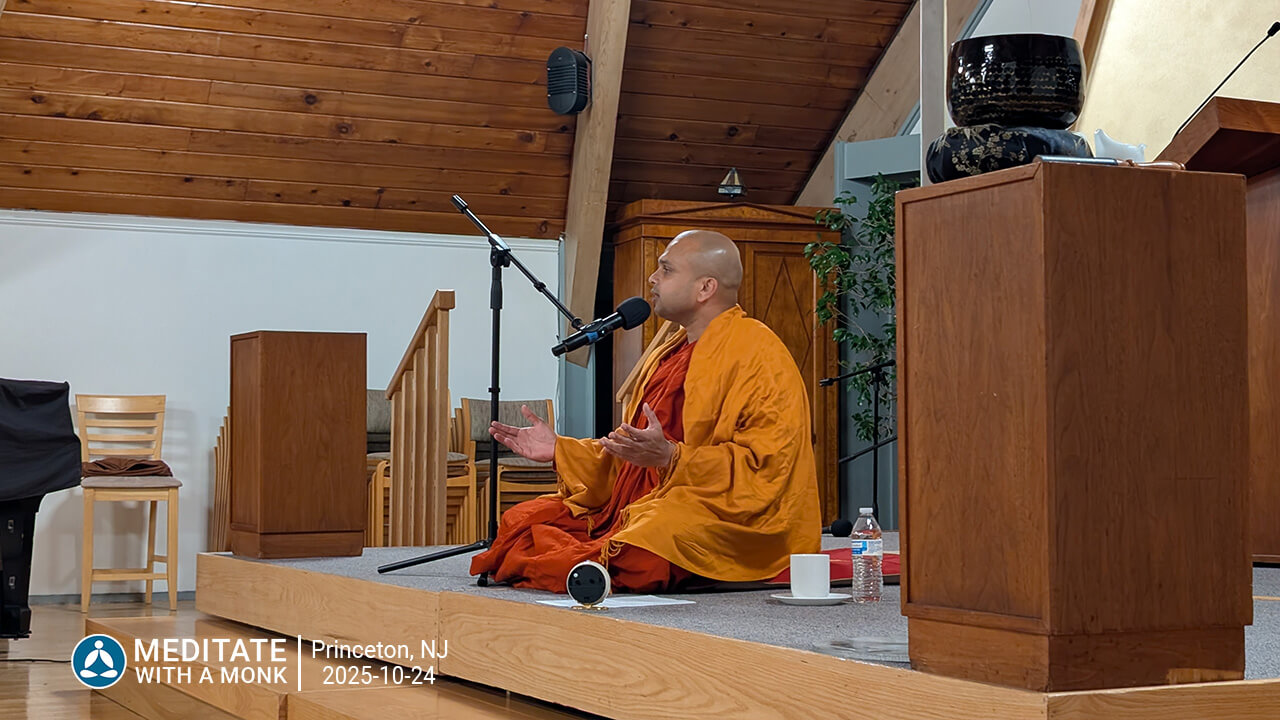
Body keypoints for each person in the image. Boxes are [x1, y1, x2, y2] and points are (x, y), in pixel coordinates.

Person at [469, 230, 820, 592]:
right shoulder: (669, 352)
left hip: (722, 511)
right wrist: (561, 448)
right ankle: (594, 565)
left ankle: (599, 565)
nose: (653, 278)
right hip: (650, 504)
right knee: (525, 519)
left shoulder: (758, 354)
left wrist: (673, 459)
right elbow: (630, 459)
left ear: (705, 288)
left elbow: (766, 469)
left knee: (653, 535)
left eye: (666, 270)